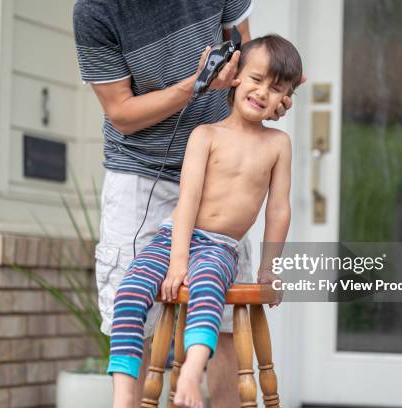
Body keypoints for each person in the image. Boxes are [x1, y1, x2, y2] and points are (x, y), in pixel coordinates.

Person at [73, 1, 298, 405]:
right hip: (144, 175)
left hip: (219, 242)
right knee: (131, 294)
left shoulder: (276, 144)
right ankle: (124, 401)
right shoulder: (95, 12)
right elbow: (121, 113)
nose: (263, 91)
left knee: (219, 306)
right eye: (257, 81)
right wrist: (178, 260)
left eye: (276, 88)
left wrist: (272, 85)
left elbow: (241, 44)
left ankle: (192, 377)